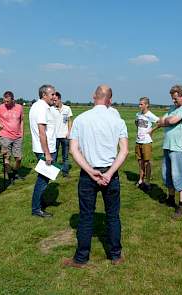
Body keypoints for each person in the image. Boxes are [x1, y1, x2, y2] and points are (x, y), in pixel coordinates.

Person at [63, 84, 128, 268]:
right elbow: (124, 151)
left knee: (85, 216)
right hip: (110, 173)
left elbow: (74, 150)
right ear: (110, 99)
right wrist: (109, 173)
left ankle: (81, 258)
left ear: (94, 96)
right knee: (113, 216)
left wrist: (90, 171)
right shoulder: (118, 120)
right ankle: (116, 256)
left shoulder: (81, 119)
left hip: (88, 173)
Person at [157, 84, 182, 218]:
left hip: (178, 147)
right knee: (166, 174)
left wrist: (167, 121)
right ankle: (170, 198)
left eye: (175, 98)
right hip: (168, 145)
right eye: (172, 98)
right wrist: (167, 121)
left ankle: (181, 204)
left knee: (178, 176)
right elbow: (160, 121)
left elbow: (171, 120)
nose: (173, 101)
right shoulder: (174, 108)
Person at [29, 84, 57, 218]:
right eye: (52, 94)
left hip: (44, 149)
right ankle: (36, 208)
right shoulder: (41, 108)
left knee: (44, 179)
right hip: (45, 150)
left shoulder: (39, 106)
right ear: (44, 95)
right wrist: (47, 154)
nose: (55, 97)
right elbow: (42, 133)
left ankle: (39, 202)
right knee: (43, 180)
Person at [0, 91, 24, 182]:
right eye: (4, 101)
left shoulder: (19, 107)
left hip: (18, 136)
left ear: (13, 100)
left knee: (19, 158)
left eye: (8, 101)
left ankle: (14, 172)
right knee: (6, 157)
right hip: (5, 136)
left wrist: (22, 133)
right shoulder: (0, 108)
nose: (5, 103)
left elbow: (21, 121)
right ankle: (10, 176)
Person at [135, 96, 159, 190]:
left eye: (141, 104)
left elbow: (159, 122)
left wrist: (152, 130)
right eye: (139, 104)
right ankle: (141, 179)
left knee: (147, 162)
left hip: (146, 142)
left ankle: (148, 181)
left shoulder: (150, 115)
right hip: (138, 141)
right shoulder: (138, 114)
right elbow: (137, 123)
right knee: (140, 161)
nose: (139, 105)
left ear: (147, 105)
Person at [52, 91, 73, 177]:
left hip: (65, 136)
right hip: (54, 136)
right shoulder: (51, 109)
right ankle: (53, 173)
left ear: (60, 99)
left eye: (55, 100)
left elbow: (69, 121)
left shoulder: (67, 108)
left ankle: (65, 172)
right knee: (54, 156)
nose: (54, 102)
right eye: (53, 100)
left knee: (65, 156)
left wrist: (69, 132)